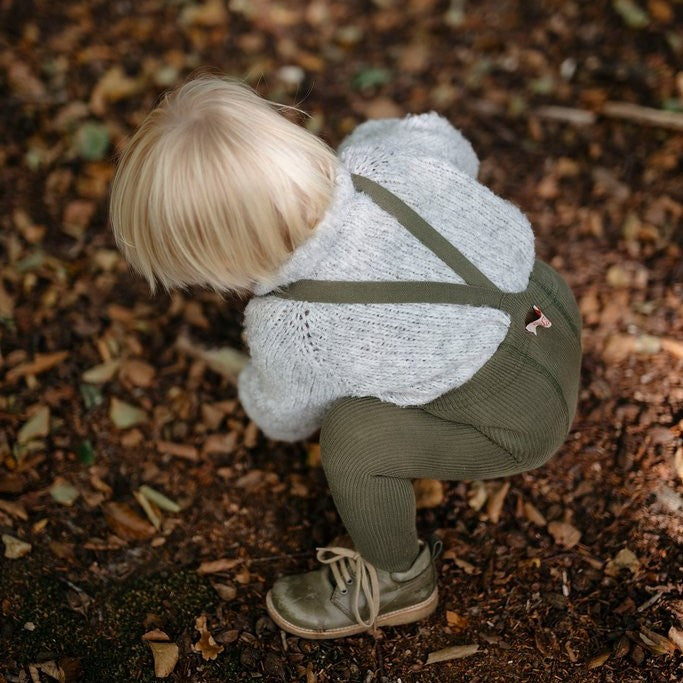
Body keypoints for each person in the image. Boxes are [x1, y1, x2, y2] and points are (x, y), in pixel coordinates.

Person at [109, 74, 582, 640]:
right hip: (551, 314)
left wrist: (253, 386)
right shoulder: (382, 160)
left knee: (353, 438)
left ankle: (398, 579)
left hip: (519, 425)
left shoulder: (292, 322)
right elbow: (443, 137)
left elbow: (284, 418)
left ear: (223, 259)